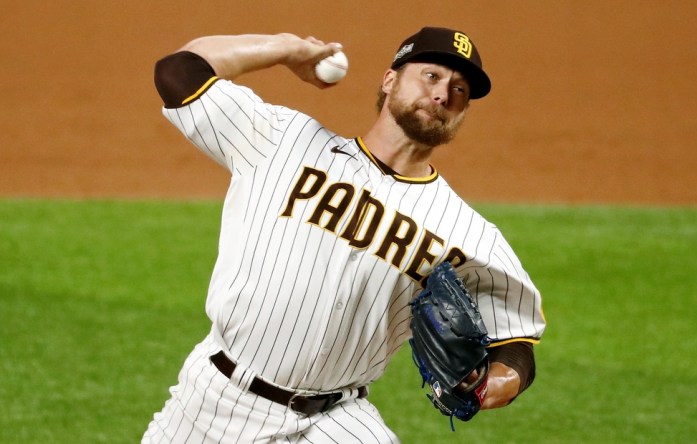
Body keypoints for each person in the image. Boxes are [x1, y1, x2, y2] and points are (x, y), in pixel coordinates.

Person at [143, 26, 546, 443]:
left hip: (336, 418)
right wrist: (287, 49)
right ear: (390, 80)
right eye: (431, 76)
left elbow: (516, 344)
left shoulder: (469, 233)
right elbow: (179, 72)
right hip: (218, 399)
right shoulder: (281, 140)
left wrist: (491, 386)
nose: (444, 94)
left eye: (459, 90)